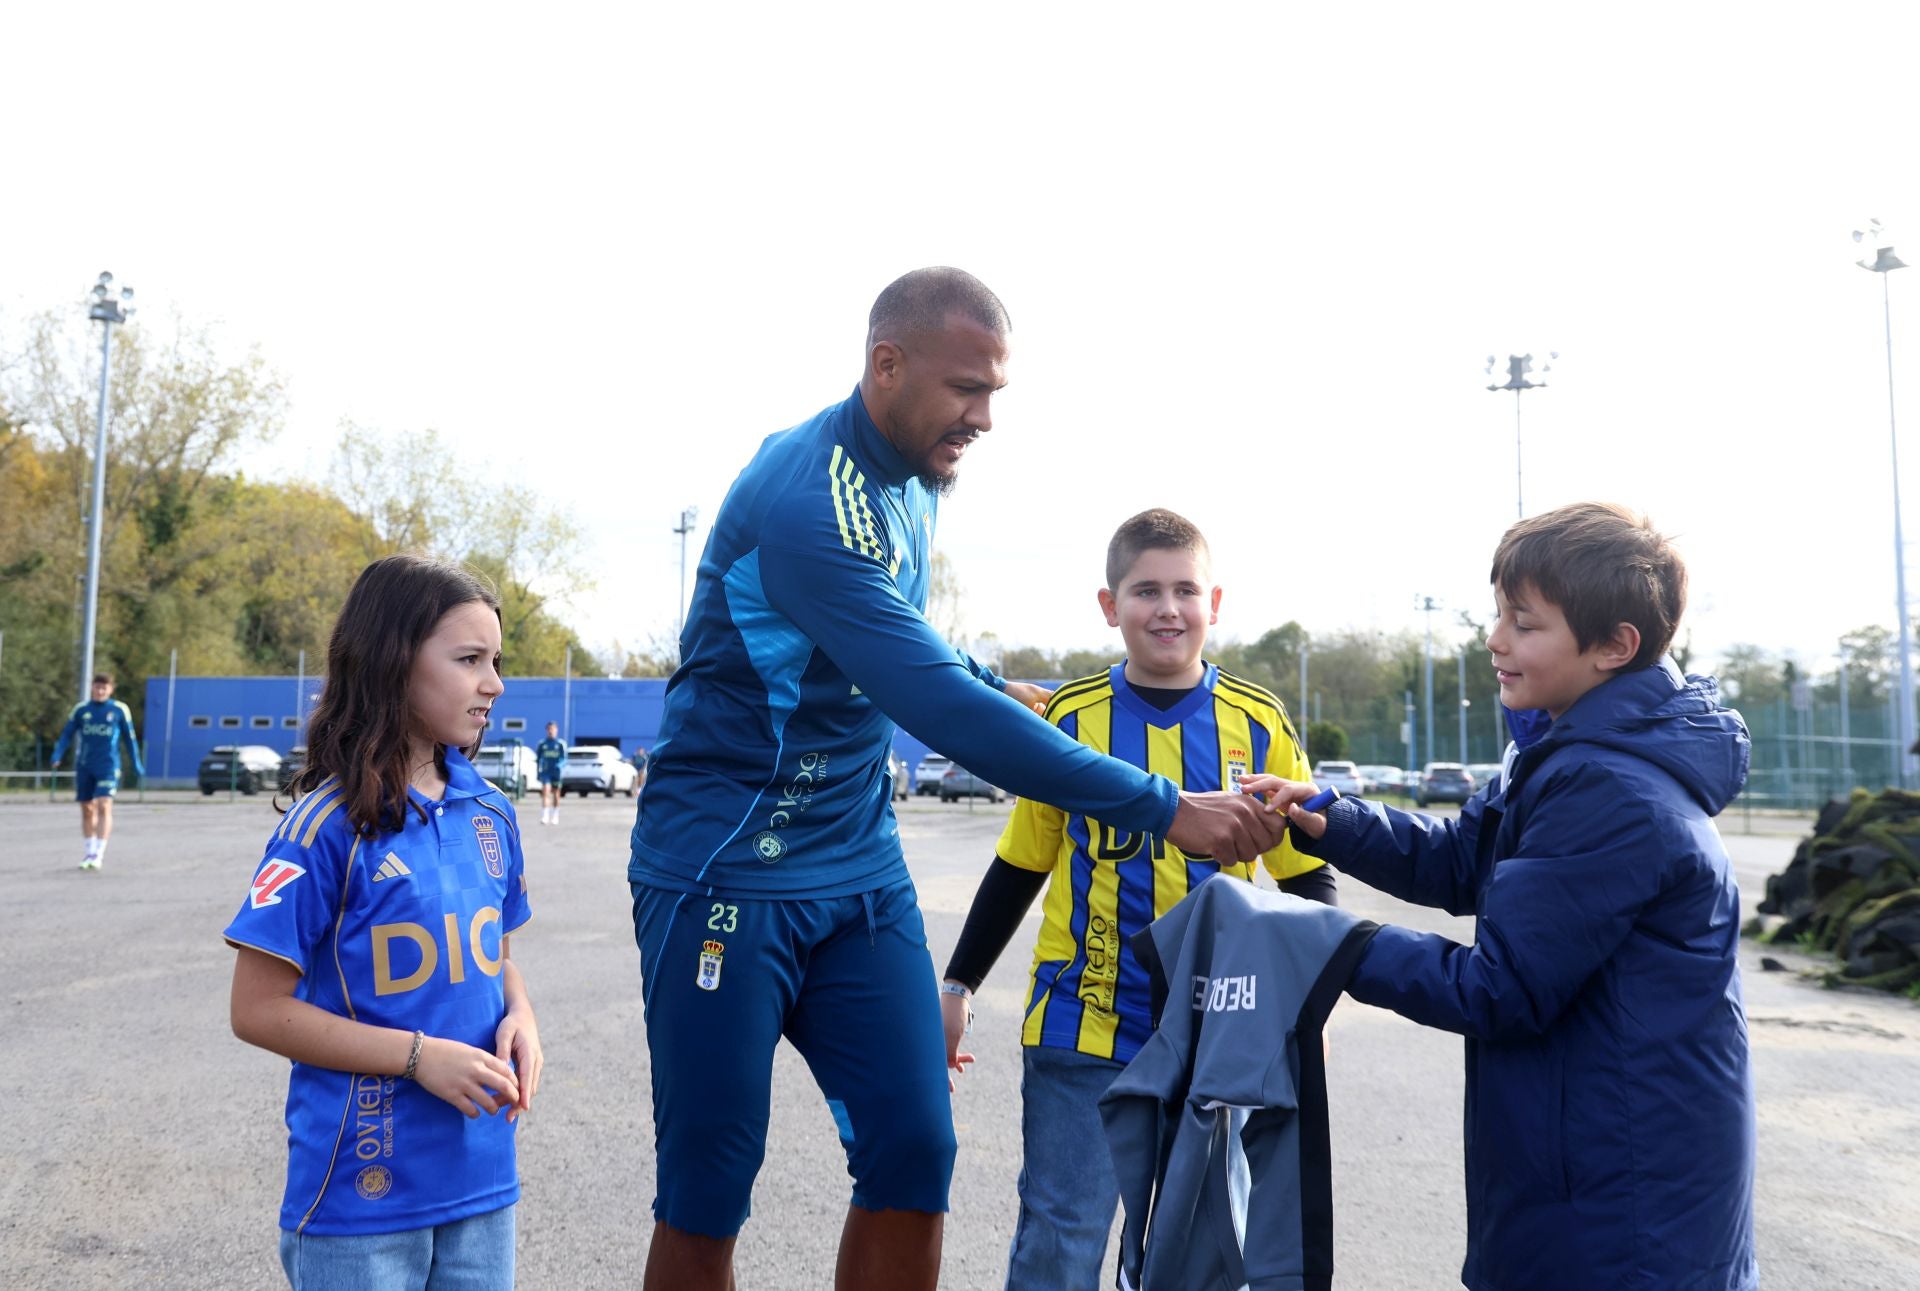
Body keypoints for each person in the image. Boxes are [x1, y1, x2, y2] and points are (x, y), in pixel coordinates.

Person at [626, 268, 1288, 1291]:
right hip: (726, 873)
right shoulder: (808, 499)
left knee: (915, 1151)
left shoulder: (908, 475)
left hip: (857, 868)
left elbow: (899, 638)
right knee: (710, 1180)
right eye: (965, 390)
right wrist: (1164, 807)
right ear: (885, 366)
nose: (982, 418)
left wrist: (989, 679)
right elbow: (931, 704)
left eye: (996, 394)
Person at [1245, 502, 1757, 1290]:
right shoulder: (1562, 750)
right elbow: (1460, 861)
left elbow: (1500, 989)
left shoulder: (1610, 789)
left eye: (1525, 622)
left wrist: (1326, 944)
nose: (1495, 638)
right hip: (1580, 1175)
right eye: (1499, 613)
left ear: (1613, 647)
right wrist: (1331, 819)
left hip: (1621, 1208)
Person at [940, 508, 1337, 1290]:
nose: (1167, 608)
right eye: (1145, 589)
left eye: (1185, 589)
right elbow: (1020, 865)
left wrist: (1308, 1007)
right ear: (1108, 604)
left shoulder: (1258, 724)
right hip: (1081, 1023)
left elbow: (1306, 878)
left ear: (1214, 603)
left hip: (1218, 1032)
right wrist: (958, 984)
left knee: (1203, 1251)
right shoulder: (1070, 719)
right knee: (1060, 1235)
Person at [224, 555, 543, 1291]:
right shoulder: (324, 828)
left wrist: (521, 1014)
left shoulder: (491, 813)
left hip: (481, 1183)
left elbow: (498, 956)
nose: (493, 683)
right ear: (393, 662)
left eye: (495, 660)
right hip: (361, 1198)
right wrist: (417, 1056)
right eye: (469, 660)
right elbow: (257, 1008)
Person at [50, 672, 145, 871]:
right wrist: (57, 754)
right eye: (97, 687)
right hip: (85, 765)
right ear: (92, 688)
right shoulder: (81, 710)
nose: (100, 691)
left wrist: (136, 763)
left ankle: (99, 853)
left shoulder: (119, 710)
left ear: (110, 690)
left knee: (104, 804)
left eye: (104, 688)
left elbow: (130, 739)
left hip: (108, 766)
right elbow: (67, 734)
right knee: (87, 808)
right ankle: (89, 851)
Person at [534, 722, 567, 825]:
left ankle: (555, 815)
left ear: (556, 730)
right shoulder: (543, 744)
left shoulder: (560, 744)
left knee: (556, 794)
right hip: (546, 772)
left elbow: (565, 759)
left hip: (556, 773)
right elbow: (538, 759)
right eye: (549, 729)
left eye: (552, 729)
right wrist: (538, 773)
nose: (550, 731)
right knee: (546, 791)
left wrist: (560, 765)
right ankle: (545, 816)